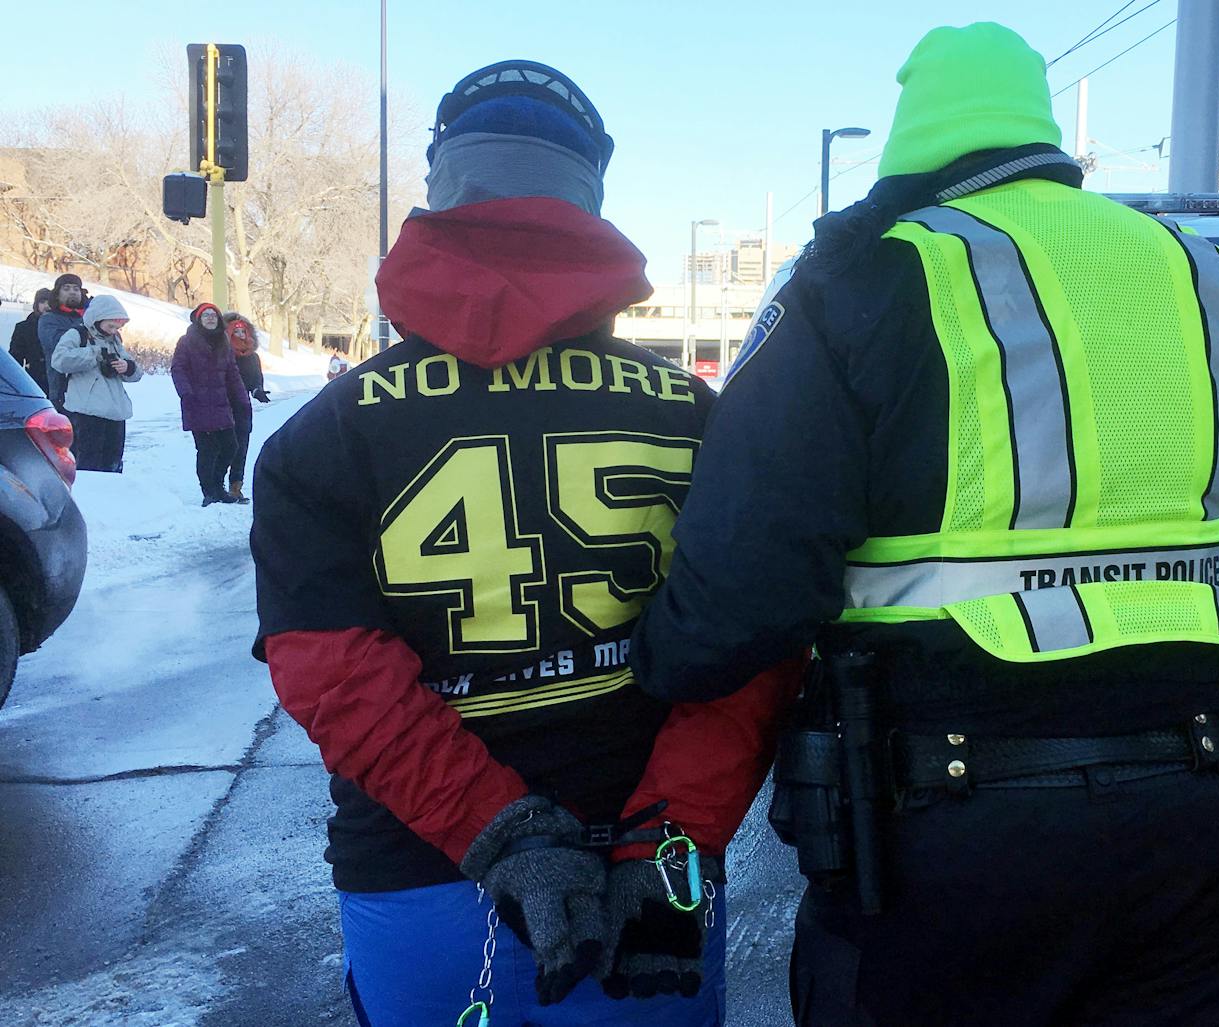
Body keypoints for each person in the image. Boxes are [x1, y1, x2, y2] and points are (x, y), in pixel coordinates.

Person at [630, 23, 1219, 1027]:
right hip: (1198, 814)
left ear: (909, 144)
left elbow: (746, 587)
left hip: (944, 839)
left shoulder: (863, 280)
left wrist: (643, 667)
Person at [250, 61, 797, 1027]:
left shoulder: (326, 431)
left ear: (440, 191)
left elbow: (331, 669)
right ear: (588, 198)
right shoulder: (697, 417)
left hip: (423, 873)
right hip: (646, 888)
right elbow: (751, 646)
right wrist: (669, 835)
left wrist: (496, 832)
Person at [48, 293, 143, 472]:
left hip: (115, 412)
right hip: (87, 411)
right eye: (111, 326)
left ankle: (112, 496)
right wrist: (93, 353)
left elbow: (137, 373)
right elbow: (59, 360)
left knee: (113, 463)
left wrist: (126, 367)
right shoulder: (77, 334)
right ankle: (89, 496)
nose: (114, 330)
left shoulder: (114, 341)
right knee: (88, 463)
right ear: (97, 319)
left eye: (117, 327)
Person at [172, 302, 250, 507]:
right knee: (207, 450)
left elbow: (232, 374)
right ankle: (209, 491)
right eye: (205, 315)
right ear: (198, 319)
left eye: (213, 315)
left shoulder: (224, 342)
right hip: (197, 403)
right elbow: (178, 369)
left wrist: (242, 398)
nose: (209, 318)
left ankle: (218, 485)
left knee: (230, 446)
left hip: (220, 404)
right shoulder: (186, 342)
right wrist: (186, 392)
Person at [222, 312, 270, 504]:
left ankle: (236, 486)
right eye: (236, 331)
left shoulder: (252, 357)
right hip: (222, 405)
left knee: (241, 446)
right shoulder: (222, 354)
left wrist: (258, 390)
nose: (241, 334)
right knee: (225, 446)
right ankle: (216, 486)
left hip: (242, 407)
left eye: (244, 331)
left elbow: (255, 379)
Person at [38, 272, 88, 410]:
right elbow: (60, 345)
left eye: (76, 289)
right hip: (63, 390)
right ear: (57, 294)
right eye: (66, 288)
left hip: (92, 391)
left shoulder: (89, 318)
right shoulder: (49, 319)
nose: (72, 292)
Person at [8, 288, 52, 391]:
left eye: (49, 302)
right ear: (36, 304)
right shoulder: (23, 328)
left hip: (58, 385)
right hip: (33, 382)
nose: (46, 305)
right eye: (42, 302)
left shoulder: (60, 327)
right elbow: (15, 359)